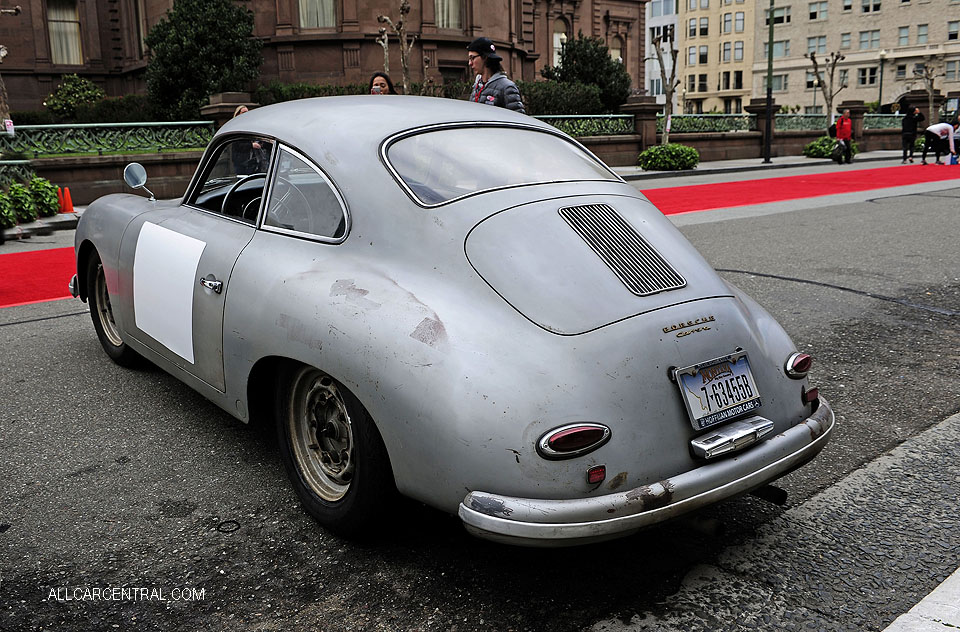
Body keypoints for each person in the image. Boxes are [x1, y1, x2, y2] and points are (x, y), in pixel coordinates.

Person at [467, 37, 525, 114]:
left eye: (472, 58)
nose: (470, 63)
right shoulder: (477, 86)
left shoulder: (507, 87)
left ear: (485, 58)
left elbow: (519, 119)